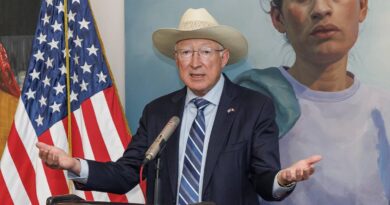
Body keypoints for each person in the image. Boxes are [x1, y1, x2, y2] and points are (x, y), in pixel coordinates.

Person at [37, 8, 322, 205]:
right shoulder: (158, 112)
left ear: (223, 58)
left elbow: (264, 179)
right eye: (186, 52)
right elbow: (127, 173)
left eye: (205, 52)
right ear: (176, 59)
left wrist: (283, 179)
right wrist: (73, 164)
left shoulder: (253, 107)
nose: (195, 62)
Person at [236, 0, 390, 204]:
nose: (321, 9)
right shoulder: (248, 103)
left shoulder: (384, 112)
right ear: (278, 18)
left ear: (362, 7)